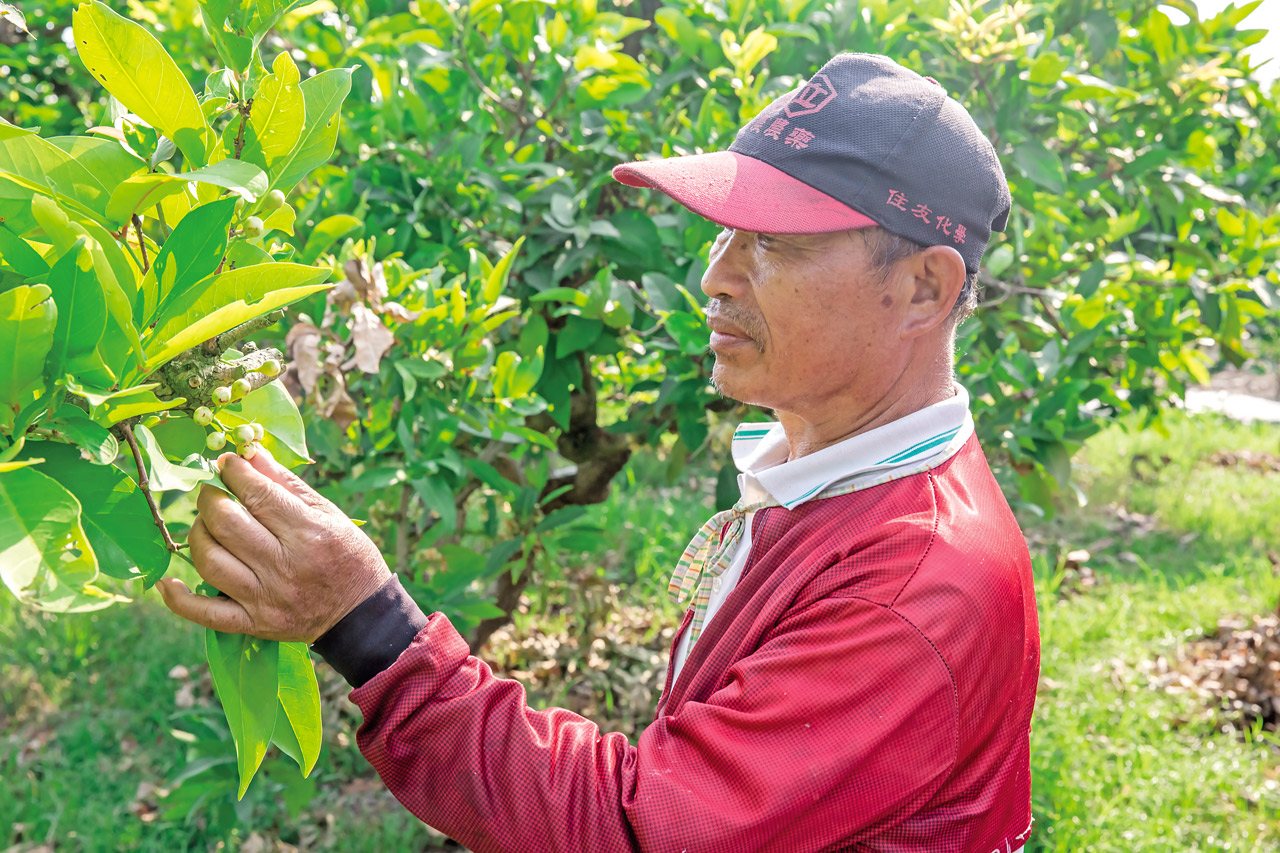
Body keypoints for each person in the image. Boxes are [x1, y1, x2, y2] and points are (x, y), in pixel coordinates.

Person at [158, 53, 1040, 852]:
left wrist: (371, 629)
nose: (716, 275)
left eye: (772, 244)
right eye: (729, 232)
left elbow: (641, 828)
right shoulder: (829, 469)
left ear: (923, 286)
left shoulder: (914, 583)